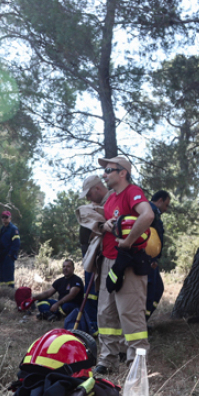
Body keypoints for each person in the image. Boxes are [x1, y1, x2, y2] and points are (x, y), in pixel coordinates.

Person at [95, 155, 154, 375]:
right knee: (106, 313)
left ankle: (136, 365)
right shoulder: (111, 198)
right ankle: (107, 360)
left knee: (130, 314)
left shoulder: (132, 192)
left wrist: (128, 241)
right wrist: (105, 225)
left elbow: (147, 215)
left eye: (108, 170)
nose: (104, 175)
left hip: (129, 261)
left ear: (122, 173)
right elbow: (107, 224)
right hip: (108, 261)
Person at [76, 175, 110, 334]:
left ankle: (100, 325)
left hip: (105, 254)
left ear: (97, 188)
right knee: (90, 293)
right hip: (90, 252)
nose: (88, 199)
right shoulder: (93, 206)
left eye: (89, 194)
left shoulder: (112, 201)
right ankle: (92, 325)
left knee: (102, 291)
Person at [32, 259, 86, 325]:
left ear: (73, 268)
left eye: (68, 266)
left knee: (66, 306)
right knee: (41, 302)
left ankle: (50, 315)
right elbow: (48, 293)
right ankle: (49, 314)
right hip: (60, 304)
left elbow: (71, 295)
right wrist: (34, 298)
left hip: (73, 305)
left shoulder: (77, 280)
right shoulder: (59, 281)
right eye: (64, 266)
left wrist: (57, 304)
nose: (65, 268)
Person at [146, 190, 171, 321]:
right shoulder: (150, 211)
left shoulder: (152, 212)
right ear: (160, 200)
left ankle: (144, 320)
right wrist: (151, 258)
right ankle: (141, 322)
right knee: (152, 291)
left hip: (151, 259)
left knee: (157, 289)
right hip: (148, 260)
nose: (166, 209)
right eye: (166, 205)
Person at [0, 210, 20, 288]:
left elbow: (16, 243)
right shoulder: (2, 229)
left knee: (8, 277)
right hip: (1, 256)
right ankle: (3, 291)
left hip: (8, 256)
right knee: (1, 276)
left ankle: (10, 291)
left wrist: (10, 255)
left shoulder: (13, 229)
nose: (4, 219)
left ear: (10, 218)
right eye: (2, 217)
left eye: (6, 217)